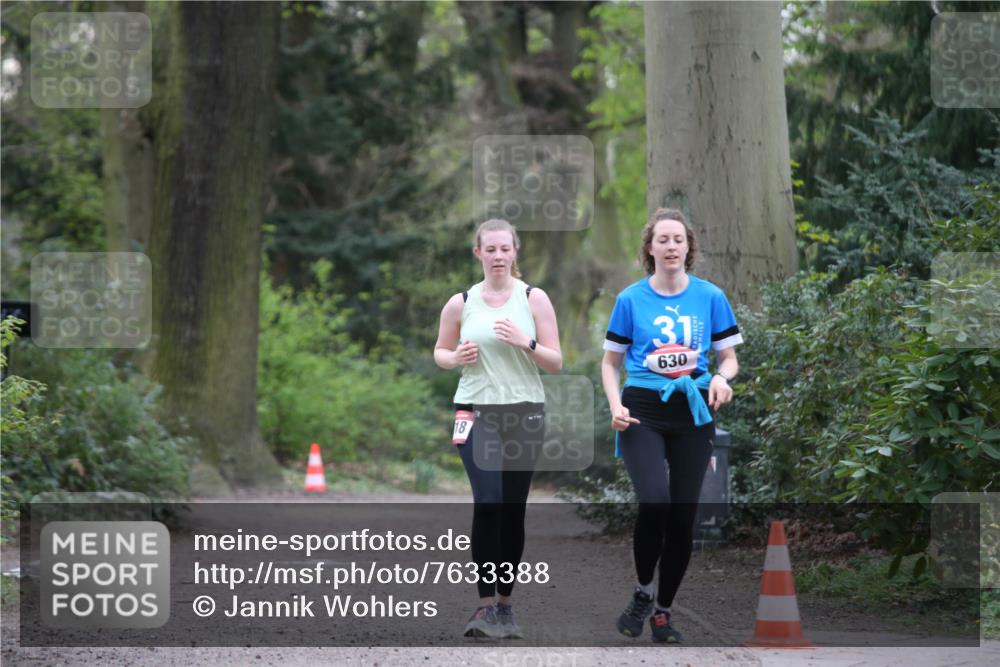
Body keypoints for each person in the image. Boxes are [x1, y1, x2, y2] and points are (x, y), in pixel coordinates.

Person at [600, 208, 742, 644]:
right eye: (662, 239)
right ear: (650, 248)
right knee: (655, 502)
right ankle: (643, 591)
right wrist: (615, 405)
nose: (671, 246)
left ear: (688, 246)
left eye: (678, 239)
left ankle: (663, 612)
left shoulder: (710, 297)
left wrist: (722, 378)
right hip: (642, 407)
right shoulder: (630, 300)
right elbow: (610, 363)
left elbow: (729, 358)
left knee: (683, 517)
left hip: (693, 409)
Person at [433, 218, 562, 639]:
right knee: (488, 501)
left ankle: (505, 605)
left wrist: (526, 342)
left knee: (512, 508)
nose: (498, 256)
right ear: (478, 253)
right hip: (475, 410)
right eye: (490, 249)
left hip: (524, 412)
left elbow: (555, 362)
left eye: (505, 248)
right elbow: (440, 351)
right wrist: (455, 357)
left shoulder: (533, 298)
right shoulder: (461, 302)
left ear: (515, 251)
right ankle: (485, 604)